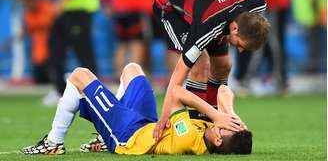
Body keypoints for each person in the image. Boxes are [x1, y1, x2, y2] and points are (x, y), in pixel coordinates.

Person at [21, 63, 250, 155]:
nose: (221, 124)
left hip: (128, 136)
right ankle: (101, 135)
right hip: (148, 125)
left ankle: (53, 143)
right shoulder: (216, 131)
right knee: (133, 70)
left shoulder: (189, 138)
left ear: (218, 141)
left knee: (79, 76)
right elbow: (223, 90)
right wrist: (230, 114)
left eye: (225, 128)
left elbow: (176, 93)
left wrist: (214, 114)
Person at [152, 0, 271, 140]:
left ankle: (216, 122)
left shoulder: (258, 1)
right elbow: (180, 72)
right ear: (235, 28)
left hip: (212, 9)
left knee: (224, 65)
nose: (241, 51)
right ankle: (198, 127)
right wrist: (163, 117)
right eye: (241, 44)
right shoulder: (208, 25)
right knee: (200, 65)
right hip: (170, 7)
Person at [47, 0, 99, 105]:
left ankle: (93, 94)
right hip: (67, 10)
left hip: (78, 10)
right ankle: (61, 92)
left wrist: (62, 2)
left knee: (84, 53)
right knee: (55, 51)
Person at [99, 0, 160, 79]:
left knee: (121, 44)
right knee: (138, 43)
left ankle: (119, 79)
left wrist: (106, 5)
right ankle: (133, 78)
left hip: (120, 8)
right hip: (139, 7)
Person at [19, 0, 55, 84]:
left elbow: (48, 22)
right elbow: (29, 28)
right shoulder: (28, 13)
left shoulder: (47, 6)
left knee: (54, 85)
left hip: (52, 54)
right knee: (39, 85)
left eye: (26, 1)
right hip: (38, 56)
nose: (25, 4)